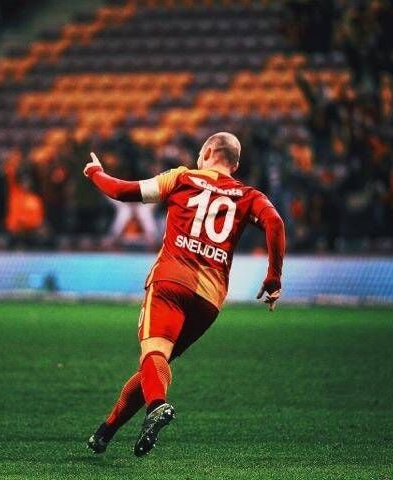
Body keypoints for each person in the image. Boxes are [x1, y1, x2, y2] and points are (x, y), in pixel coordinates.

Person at [83, 132, 286, 457]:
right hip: (209, 299)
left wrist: (95, 172)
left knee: (153, 356)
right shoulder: (249, 195)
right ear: (235, 165)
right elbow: (275, 222)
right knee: (155, 366)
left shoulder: (183, 177)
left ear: (207, 152)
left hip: (171, 281)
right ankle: (105, 431)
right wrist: (273, 276)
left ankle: (158, 406)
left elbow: (121, 191)